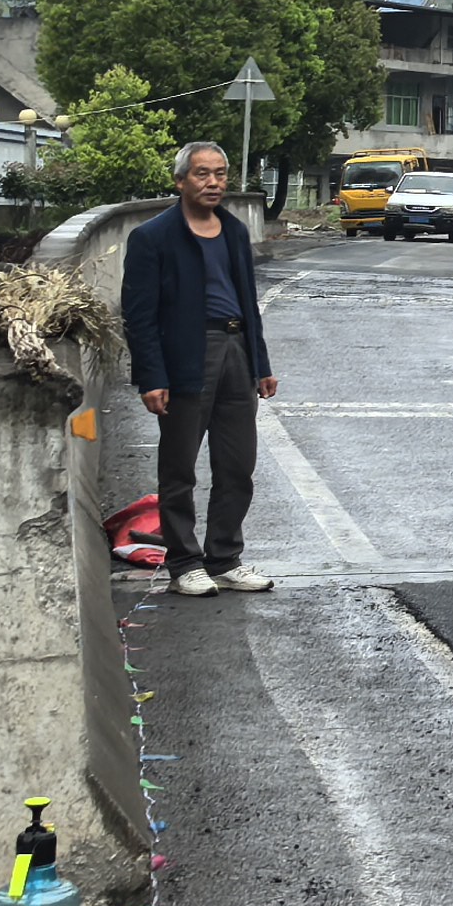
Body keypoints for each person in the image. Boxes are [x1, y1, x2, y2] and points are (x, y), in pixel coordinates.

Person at [121, 140, 278, 597]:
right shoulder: (153, 237)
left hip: (235, 350)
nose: (213, 182)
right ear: (180, 181)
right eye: (202, 174)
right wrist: (152, 376)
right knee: (180, 468)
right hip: (187, 355)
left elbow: (248, 302)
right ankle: (185, 563)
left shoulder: (233, 231)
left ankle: (225, 558)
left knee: (237, 465)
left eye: (220, 174)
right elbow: (139, 316)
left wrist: (260, 363)